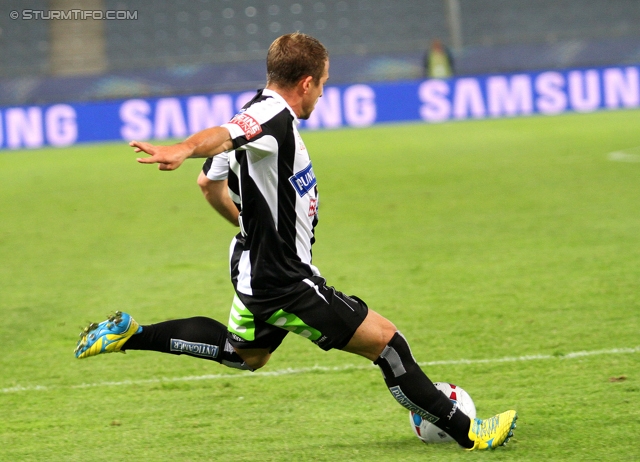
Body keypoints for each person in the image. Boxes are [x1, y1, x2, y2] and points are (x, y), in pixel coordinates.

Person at [74, 32, 516, 450]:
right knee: (387, 343)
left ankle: (130, 334)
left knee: (247, 354)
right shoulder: (272, 117)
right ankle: (470, 433)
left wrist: (252, 224)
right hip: (284, 280)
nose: (322, 94)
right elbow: (219, 139)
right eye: (322, 85)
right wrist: (184, 147)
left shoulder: (255, 113)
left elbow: (208, 185)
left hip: (253, 264)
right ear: (305, 83)